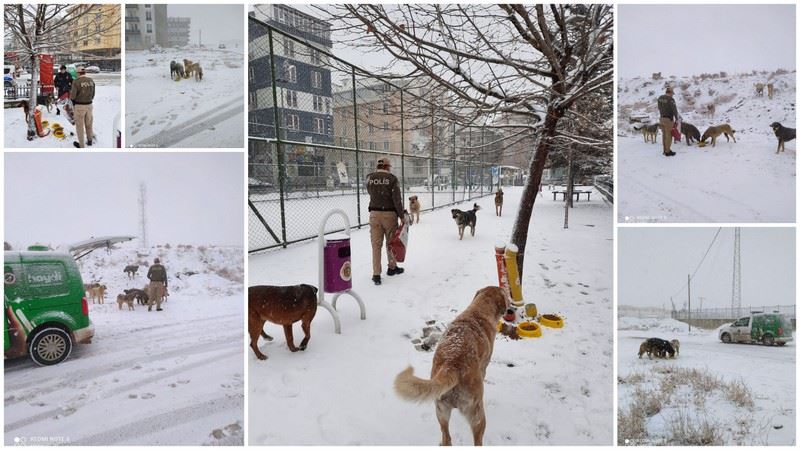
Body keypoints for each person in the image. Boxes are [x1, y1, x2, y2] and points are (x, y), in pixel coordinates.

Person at [366, 157, 405, 285]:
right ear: (387, 166)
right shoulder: (392, 179)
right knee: (390, 243)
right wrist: (401, 215)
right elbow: (396, 199)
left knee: (376, 245)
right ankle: (392, 267)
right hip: (389, 214)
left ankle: (376, 274)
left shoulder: (370, 178)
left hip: (374, 214)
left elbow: (370, 192)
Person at [70, 66, 95, 148]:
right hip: (89, 105)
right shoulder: (91, 80)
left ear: (78, 73)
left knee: (80, 126)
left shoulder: (76, 82)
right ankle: (90, 140)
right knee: (89, 124)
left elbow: (73, 96)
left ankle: (81, 145)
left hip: (80, 106)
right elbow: (93, 94)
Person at [657, 86, 679, 157]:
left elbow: (659, 108)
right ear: (670, 93)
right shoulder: (671, 99)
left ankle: (664, 150)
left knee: (664, 135)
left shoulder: (660, 98)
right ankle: (668, 151)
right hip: (668, 120)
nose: (673, 95)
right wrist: (677, 119)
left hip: (661, 119)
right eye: (672, 93)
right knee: (669, 135)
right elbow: (674, 110)